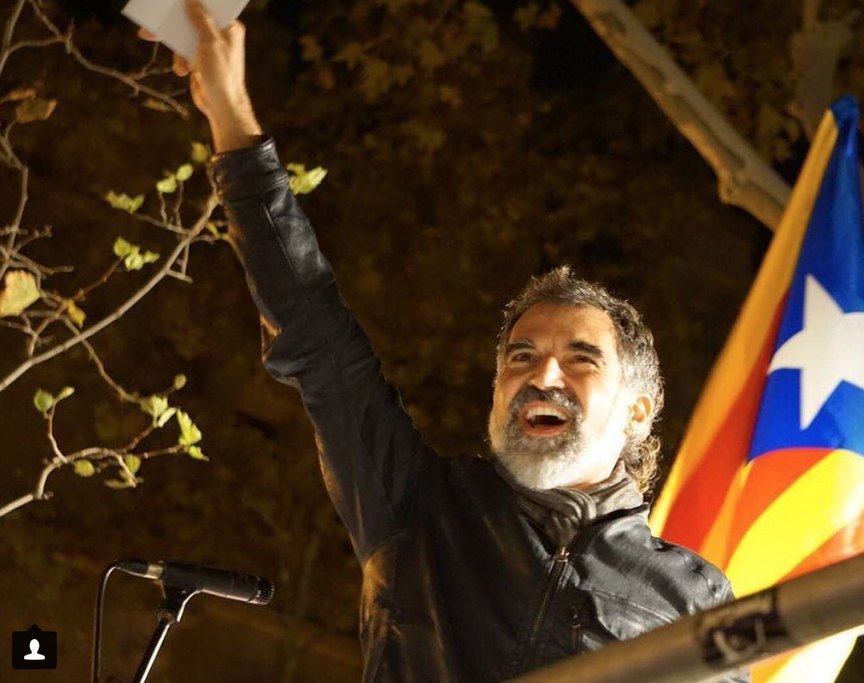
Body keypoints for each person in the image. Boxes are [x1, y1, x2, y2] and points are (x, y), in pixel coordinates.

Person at [141, 2, 748, 680]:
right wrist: (230, 114)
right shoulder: (420, 506)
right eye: (521, 355)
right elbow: (312, 330)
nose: (543, 374)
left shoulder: (693, 599)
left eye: (580, 358)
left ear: (638, 409)